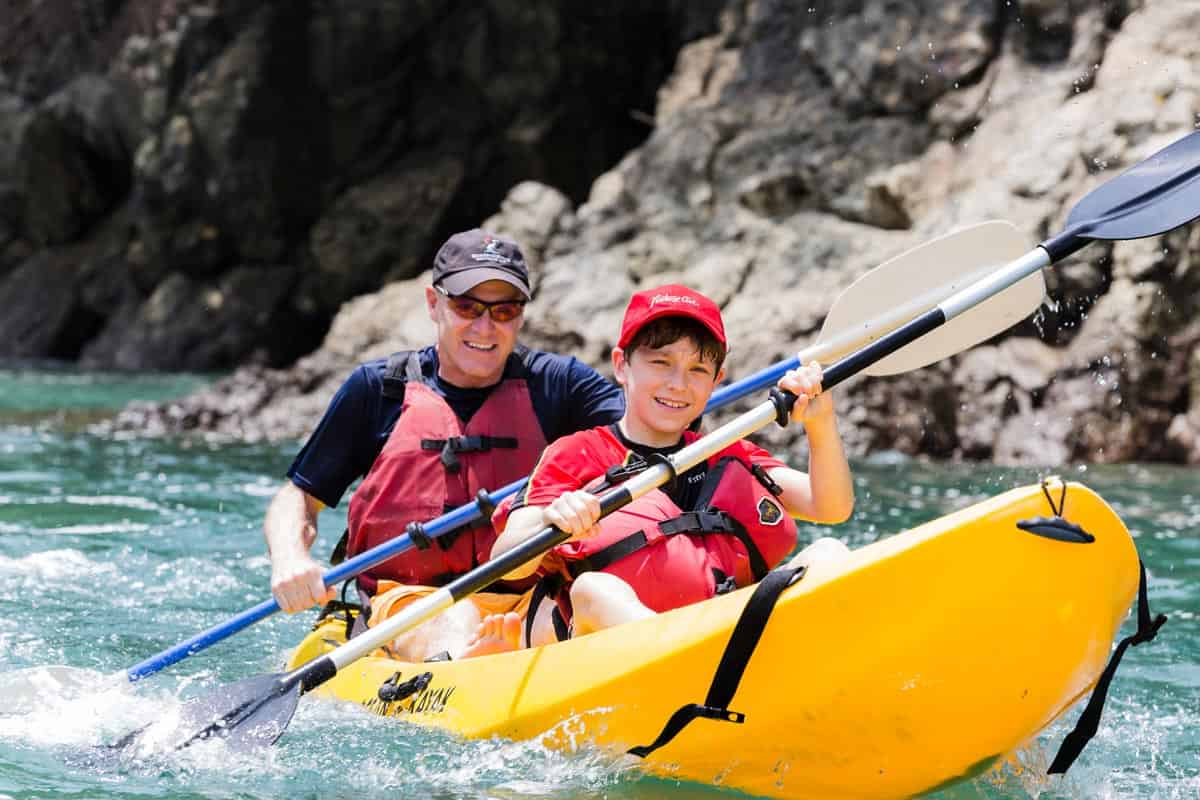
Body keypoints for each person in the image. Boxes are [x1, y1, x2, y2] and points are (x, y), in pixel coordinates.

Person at [263, 228, 624, 660]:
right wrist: (290, 559)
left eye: (504, 310)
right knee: (456, 619)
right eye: (467, 306)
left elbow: (653, 432)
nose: (485, 327)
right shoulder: (379, 390)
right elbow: (299, 498)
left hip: (531, 596)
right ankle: (473, 662)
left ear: (521, 316)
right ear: (434, 304)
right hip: (408, 604)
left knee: (602, 595)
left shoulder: (561, 386)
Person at [462, 284, 855, 657]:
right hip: (604, 647)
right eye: (660, 362)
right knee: (593, 589)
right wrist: (551, 519)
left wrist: (820, 423)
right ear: (622, 365)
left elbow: (831, 507)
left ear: (717, 380)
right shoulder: (577, 452)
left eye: (698, 370)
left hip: (723, 635)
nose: (677, 384)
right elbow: (507, 560)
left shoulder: (726, 450)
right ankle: (686, 660)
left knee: (829, 552)